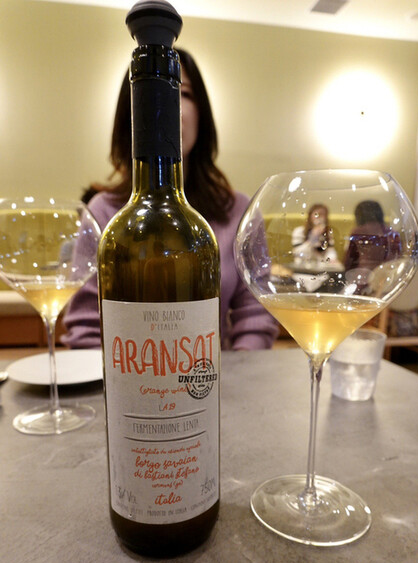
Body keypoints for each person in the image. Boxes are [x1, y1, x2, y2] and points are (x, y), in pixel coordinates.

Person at [62, 48, 278, 350]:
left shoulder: (239, 211)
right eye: (151, 93)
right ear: (133, 113)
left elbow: (255, 314)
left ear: (202, 113)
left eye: (184, 94)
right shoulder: (104, 213)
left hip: (213, 376)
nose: (168, 105)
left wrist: (233, 373)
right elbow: (86, 329)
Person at [344, 200, 402, 272]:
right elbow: (398, 259)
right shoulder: (392, 233)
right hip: (388, 274)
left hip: (364, 274)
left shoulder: (358, 232)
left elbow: (349, 261)